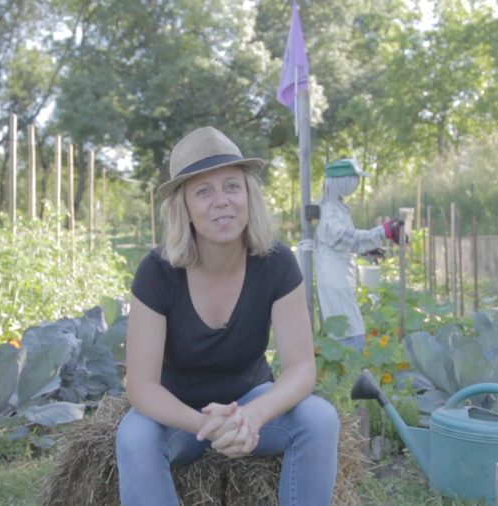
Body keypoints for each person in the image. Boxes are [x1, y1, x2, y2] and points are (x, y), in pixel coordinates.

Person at [116, 126, 339, 506]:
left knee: (320, 419)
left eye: (232, 186)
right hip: (178, 415)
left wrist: (251, 417)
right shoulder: (158, 272)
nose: (222, 201)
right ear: (183, 206)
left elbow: (301, 368)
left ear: (248, 195)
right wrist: (208, 425)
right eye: (204, 191)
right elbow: (140, 385)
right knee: (134, 436)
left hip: (252, 404)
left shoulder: (277, 263)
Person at [314, 158, 402, 352]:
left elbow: (344, 244)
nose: (356, 184)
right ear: (342, 181)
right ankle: (351, 373)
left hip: (341, 275)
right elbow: (348, 239)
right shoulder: (328, 212)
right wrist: (382, 232)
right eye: (354, 179)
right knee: (349, 330)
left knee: (351, 325)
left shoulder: (338, 207)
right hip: (334, 280)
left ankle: (351, 371)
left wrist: (367, 249)